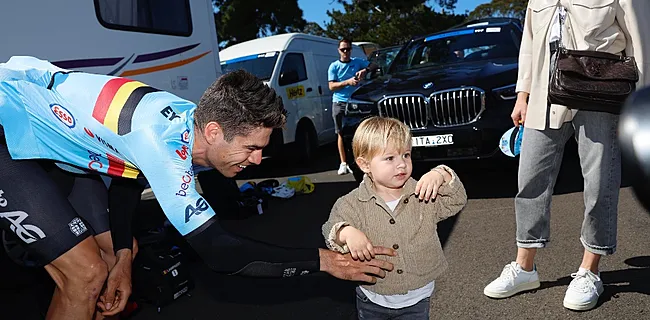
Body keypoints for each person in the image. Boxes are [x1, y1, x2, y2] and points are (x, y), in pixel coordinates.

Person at [0, 56, 397, 320]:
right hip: (7, 122)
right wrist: (327, 261)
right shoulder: (161, 145)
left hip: (50, 139)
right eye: (252, 148)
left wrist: (122, 259)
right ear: (213, 132)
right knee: (85, 274)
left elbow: (127, 182)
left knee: (122, 250)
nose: (257, 161)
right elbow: (222, 254)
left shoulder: (191, 119)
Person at [483, 0, 648, 311]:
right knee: (530, 177)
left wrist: (642, 102)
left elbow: (641, 40)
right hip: (546, 93)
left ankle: (590, 269)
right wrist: (522, 95)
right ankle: (524, 267)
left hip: (601, 90)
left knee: (600, 180)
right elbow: (530, 45)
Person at [322, 117, 467, 319]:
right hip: (372, 297)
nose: (402, 164)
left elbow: (456, 201)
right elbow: (331, 229)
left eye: (406, 155)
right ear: (364, 164)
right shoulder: (351, 203)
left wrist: (442, 174)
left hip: (418, 297)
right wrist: (346, 232)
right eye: (390, 158)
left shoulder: (422, 194)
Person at [328, 38, 377, 175]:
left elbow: (374, 65)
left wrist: (365, 70)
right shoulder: (334, 66)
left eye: (348, 49)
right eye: (343, 49)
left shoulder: (357, 62)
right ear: (339, 50)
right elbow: (331, 86)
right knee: (341, 133)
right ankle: (343, 163)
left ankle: (364, 160)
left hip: (356, 102)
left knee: (361, 132)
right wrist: (347, 82)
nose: (345, 52)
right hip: (340, 102)